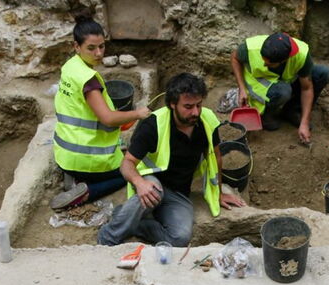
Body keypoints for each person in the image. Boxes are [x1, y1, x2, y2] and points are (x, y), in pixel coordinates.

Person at [97, 73, 245, 247]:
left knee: (180, 237)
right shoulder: (153, 125)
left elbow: (216, 157)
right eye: (188, 106)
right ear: (173, 104)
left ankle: (133, 224)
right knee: (154, 191)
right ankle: (107, 238)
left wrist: (218, 192)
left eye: (198, 105)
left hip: (178, 192)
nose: (195, 112)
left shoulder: (207, 121)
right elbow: (126, 163)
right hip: (151, 180)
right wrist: (139, 183)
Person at [51, 15, 150, 210]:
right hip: (87, 159)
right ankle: (87, 192)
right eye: (91, 48)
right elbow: (108, 118)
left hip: (64, 153)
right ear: (76, 46)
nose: (98, 53)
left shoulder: (70, 67)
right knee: (130, 171)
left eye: (102, 46)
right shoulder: (89, 80)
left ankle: (74, 176)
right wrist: (138, 114)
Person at [230, 32, 329, 143]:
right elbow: (234, 58)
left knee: (323, 73)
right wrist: (242, 88)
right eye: (263, 60)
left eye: (268, 64)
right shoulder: (250, 48)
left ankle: (292, 110)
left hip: (285, 79)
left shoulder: (302, 54)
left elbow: (306, 88)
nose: (264, 65)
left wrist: (304, 123)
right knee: (283, 91)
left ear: (284, 60)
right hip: (259, 83)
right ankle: (267, 117)